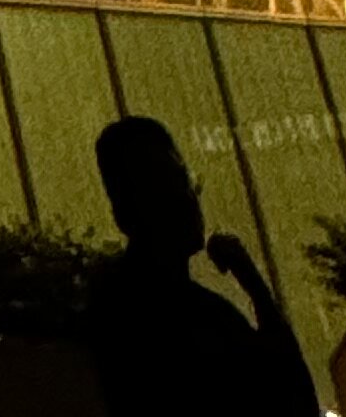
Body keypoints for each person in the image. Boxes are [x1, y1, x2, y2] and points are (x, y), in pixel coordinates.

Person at [85, 114, 317, 413]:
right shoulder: (149, 310)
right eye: (167, 184)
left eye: (184, 181)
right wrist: (256, 289)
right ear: (126, 209)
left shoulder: (186, 308)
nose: (188, 198)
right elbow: (292, 396)